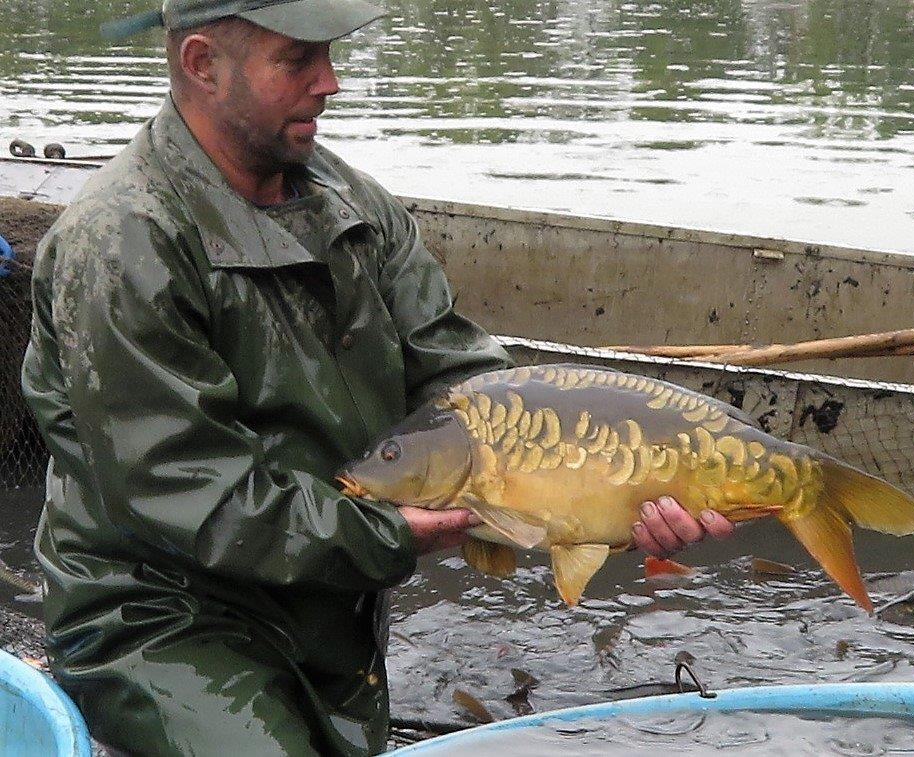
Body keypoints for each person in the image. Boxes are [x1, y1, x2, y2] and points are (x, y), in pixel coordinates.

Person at [21, 1, 735, 753]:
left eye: (328, 54)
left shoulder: (355, 206)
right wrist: (389, 533)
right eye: (296, 59)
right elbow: (189, 493)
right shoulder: (123, 243)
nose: (329, 82)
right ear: (202, 64)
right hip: (160, 615)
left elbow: (463, 383)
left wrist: (596, 493)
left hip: (331, 606)